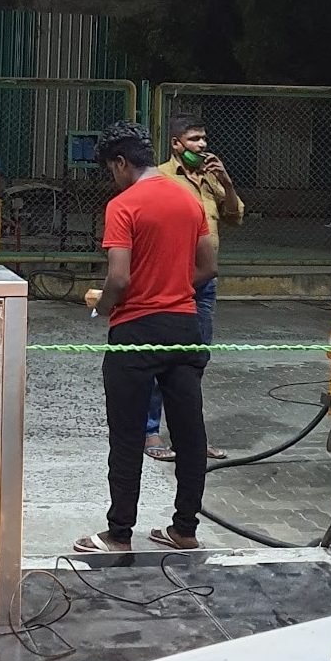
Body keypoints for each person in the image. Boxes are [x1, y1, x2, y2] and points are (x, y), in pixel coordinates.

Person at [76, 120, 218, 555]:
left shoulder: (124, 205)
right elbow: (208, 267)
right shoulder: (189, 200)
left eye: (111, 169)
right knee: (190, 433)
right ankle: (184, 530)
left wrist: (104, 306)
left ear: (121, 163)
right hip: (184, 327)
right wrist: (171, 289)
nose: (113, 177)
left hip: (135, 333)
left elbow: (118, 277)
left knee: (126, 434)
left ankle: (119, 534)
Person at [145, 114, 243, 462]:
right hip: (170, 280)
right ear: (176, 144)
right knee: (160, 356)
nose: (202, 146)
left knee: (195, 358)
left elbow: (234, 216)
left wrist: (226, 181)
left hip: (204, 283)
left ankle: (190, 436)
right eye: (194, 140)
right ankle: (150, 432)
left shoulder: (211, 179)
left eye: (204, 139)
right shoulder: (160, 178)